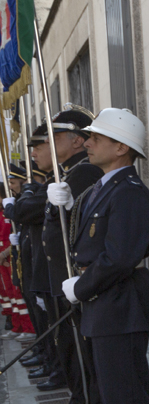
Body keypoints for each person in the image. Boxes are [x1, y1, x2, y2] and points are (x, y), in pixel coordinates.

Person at [57, 108, 149, 404]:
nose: (87, 142)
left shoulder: (130, 192)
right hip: (105, 304)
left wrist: (81, 286)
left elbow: (120, 257)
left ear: (121, 147)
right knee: (112, 392)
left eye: (96, 138)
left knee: (127, 395)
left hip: (120, 305)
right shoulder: (107, 186)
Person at [40, 108, 110, 404]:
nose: (50, 144)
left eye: (55, 137)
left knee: (85, 356)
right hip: (65, 279)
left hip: (78, 282)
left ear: (77, 139)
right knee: (73, 351)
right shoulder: (71, 171)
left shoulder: (84, 172)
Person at [7, 127, 60, 382]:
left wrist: (26, 195)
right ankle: (48, 357)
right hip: (33, 265)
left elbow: (26, 213)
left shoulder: (53, 185)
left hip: (51, 271)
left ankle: (56, 366)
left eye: (38, 148)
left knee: (57, 331)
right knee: (43, 322)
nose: (34, 153)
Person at [1, 164, 34, 342]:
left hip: (19, 255)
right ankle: (18, 325)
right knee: (14, 295)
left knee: (21, 294)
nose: (11, 187)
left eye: (13, 182)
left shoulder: (23, 201)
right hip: (12, 255)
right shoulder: (14, 202)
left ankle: (29, 329)